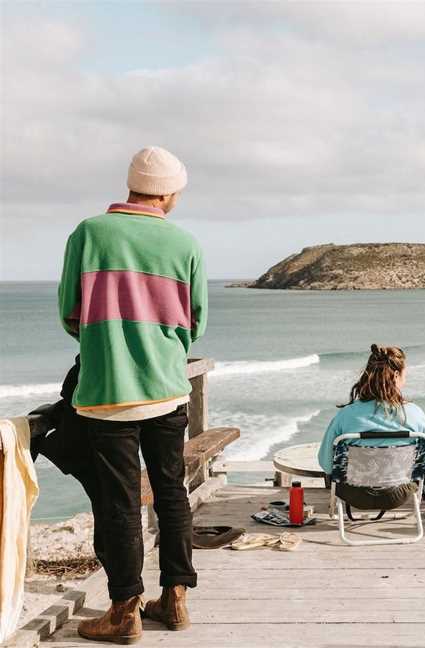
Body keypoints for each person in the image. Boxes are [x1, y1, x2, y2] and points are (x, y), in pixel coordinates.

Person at [57, 146, 207, 644]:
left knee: (119, 503)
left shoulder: (89, 233)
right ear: (167, 192)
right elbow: (196, 323)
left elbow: (70, 312)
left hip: (107, 393)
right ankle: (177, 599)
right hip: (167, 391)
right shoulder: (183, 243)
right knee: (171, 493)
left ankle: (125, 610)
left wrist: (106, 345)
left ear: (131, 186)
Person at [318, 344, 425, 510]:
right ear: (396, 375)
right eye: (405, 374)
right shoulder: (415, 414)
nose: (406, 379)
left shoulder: (346, 415)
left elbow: (326, 463)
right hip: (398, 495)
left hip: (354, 495)